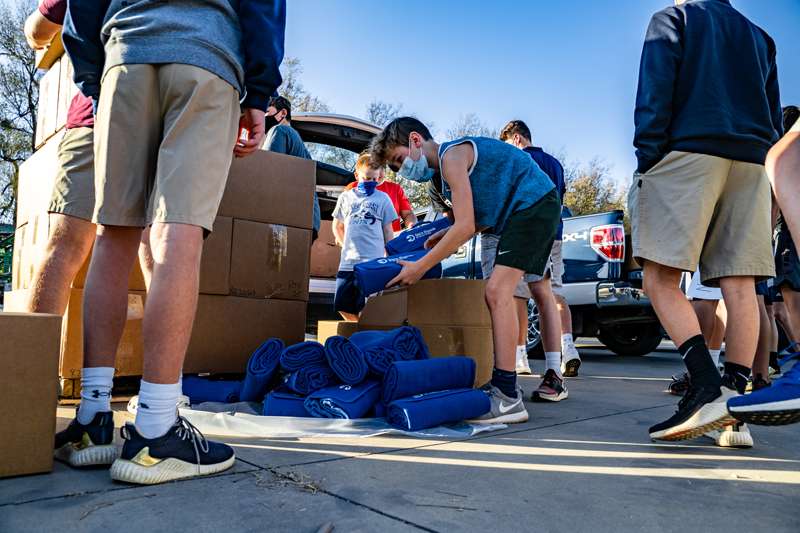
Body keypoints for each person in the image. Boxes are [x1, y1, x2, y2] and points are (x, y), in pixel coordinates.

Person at [59, 0, 285, 484]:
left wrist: (95, 78)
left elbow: (81, 9)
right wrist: (259, 95)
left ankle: (92, 419)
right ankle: (157, 427)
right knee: (177, 229)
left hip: (125, 54)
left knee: (113, 234)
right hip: (205, 56)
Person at [631, 0, 782, 441]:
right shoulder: (760, 37)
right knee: (741, 286)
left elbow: (655, 91)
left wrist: (649, 158)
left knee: (659, 279)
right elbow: (772, 114)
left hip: (690, 153)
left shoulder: (673, 18)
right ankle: (734, 407)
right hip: (753, 162)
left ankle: (705, 387)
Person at [370, 117, 560, 424]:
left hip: (534, 205)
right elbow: (477, 221)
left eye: (398, 160)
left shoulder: (451, 157)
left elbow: (466, 225)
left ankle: (507, 394)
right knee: (499, 294)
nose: (401, 170)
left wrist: (420, 267)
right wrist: (442, 236)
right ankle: (505, 386)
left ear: (416, 141)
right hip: (521, 211)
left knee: (497, 291)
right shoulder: (441, 179)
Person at [22, 0, 153, 316]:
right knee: (160, 249)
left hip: (98, 110)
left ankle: (30, 359)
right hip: (163, 114)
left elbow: (37, 31)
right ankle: (166, 367)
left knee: (65, 245)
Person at [728, 113, 800, 426]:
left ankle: (764, 371)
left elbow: (772, 205)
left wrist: (759, 247)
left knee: (783, 159)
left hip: (779, 240)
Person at [500, 120, 582, 380]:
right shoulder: (555, 163)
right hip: (554, 235)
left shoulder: (520, 161)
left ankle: (520, 355)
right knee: (553, 292)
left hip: (526, 235)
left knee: (519, 296)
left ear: (515, 138)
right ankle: (568, 348)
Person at [332, 153, 397, 321]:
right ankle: (357, 327)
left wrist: (391, 257)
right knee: (341, 304)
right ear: (357, 175)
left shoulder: (383, 199)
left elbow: (388, 230)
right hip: (348, 262)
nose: (371, 182)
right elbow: (337, 226)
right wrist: (343, 243)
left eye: (375, 179)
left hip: (372, 262)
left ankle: (361, 334)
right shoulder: (346, 197)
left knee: (367, 305)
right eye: (367, 178)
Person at [263, 95, 321, 241]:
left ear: (283, 113)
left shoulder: (279, 131)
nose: (263, 116)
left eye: (267, 111)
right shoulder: (294, 138)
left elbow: (267, 171)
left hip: (292, 220)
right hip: (307, 219)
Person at [345, 174, 417, 233]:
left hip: (391, 244)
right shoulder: (353, 187)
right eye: (373, 166)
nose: (378, 171)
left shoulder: (395, 189)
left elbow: (408, 214)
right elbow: (344, 218)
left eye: (381, 167)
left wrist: (411, 225)